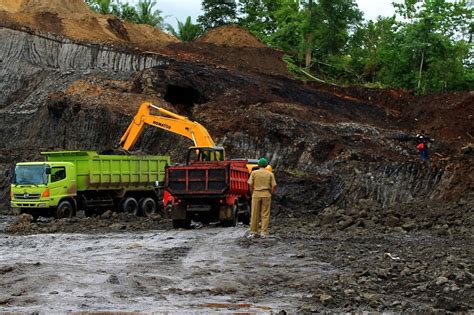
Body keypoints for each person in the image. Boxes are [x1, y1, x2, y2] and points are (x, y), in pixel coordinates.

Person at [247, 157, 277, 239]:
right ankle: (263, 233)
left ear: (258, 165)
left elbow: (250, 185)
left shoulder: (254, 173)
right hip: (266, 194)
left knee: (254, 214)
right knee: (265, 214)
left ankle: (254, 232)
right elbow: (274, 185)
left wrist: (252, 193)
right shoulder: (270, 174)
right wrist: (270, 193)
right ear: (266, 165)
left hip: (256, 194)